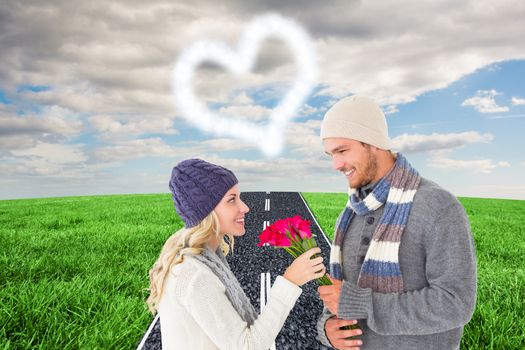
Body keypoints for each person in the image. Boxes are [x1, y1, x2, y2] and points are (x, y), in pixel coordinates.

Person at [316, 96, 477, 350]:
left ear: (373, 143)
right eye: (330, 154)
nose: (336, 165)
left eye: (342, 150)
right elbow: (340, 298)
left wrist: (361, 302)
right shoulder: (350, 214)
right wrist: (328, 329)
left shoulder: (437, 206)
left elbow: (455, 303)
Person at [147, 158, 326, 350]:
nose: (245, 208)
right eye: (232, 200)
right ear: (206, 211)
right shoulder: (194, 276)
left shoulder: (205, 258)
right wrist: (290, 281)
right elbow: (248, 346)